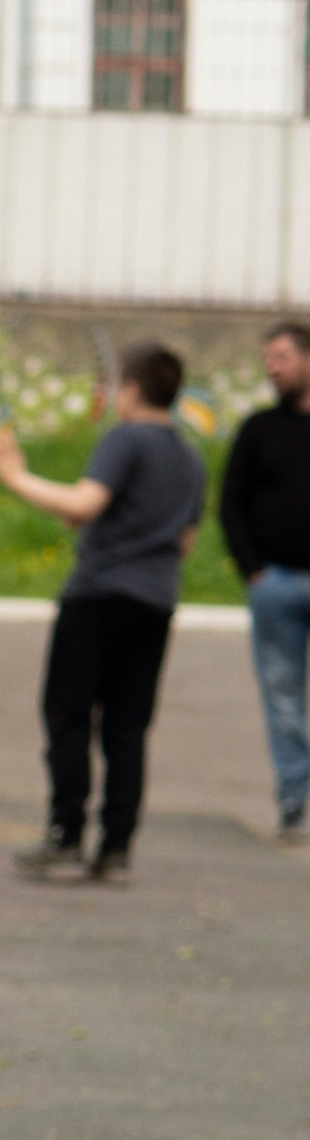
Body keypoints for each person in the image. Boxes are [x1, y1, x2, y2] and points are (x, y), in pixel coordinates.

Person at [0, 340, 205, 884]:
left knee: (68, 714)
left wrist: (14, 475)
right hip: (155, 600)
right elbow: (184, 540)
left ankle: (65, 831)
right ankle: (116, 845)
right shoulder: (190, 458)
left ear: (130, 389)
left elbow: (83, 503)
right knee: (127, 727)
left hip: (99, 593)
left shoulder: (126, 439)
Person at [218, 316, 310, 841]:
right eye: (267, 360)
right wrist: (253, 569)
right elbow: (231, 504)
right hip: (275, 584)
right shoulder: (259, 430)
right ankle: (294, 797)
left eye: (282, 358)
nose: (272, 369)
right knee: (283, 695)